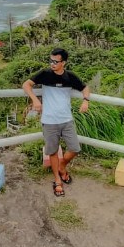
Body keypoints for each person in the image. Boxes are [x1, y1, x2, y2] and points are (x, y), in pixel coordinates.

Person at [22, 48, 90, 197]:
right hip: (49, 121)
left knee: (74, 148)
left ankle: (62, 166)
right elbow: (26, 85)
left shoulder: (70, 77)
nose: (52, 63)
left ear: (63, 63)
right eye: (50, 60)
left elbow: (85, 88)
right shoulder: (44, 74)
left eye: (55, 61)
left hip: (67, 120)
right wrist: (35, 99)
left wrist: (85, 101)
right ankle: (57, 179)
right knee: (52, 151)